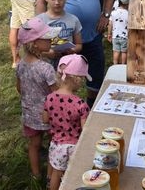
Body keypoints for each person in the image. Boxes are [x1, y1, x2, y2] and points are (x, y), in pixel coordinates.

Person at [16, 17, 60, 180]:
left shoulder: (20, 64)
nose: (51, 40)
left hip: (29, 115)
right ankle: (51, 175)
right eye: (47, 38)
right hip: (48, 115)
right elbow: (55, 93)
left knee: (34, 144)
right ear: (35, 43)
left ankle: (36, 174)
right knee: (53, 143)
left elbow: (19, 88)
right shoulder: (46, 68)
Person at [43, 54, 91, 190]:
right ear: (76, 79)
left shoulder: (49, 98)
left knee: (56, 173)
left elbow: (45, 119)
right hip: (73, 147)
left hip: (56, 143)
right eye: (82, 78)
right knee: (71, 176)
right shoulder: (80, 104)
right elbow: (85, 129)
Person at [36, 0, 83, 66]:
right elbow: (34, 48)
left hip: (68, 66)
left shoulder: (74, 20)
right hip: (46, 67)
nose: (57, 2)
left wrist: (72, 50)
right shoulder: (40, 21)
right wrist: (47, 53)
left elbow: (79, 44)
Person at [108, 0, 132, 64]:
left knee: (116, 51)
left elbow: (110, 24)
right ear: (128, 3)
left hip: (115, 36)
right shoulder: (129, 14)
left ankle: (115, 65)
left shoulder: (113, 12)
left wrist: (109, 34)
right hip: (125, 37)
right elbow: (130, 26)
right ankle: (123, 65)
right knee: (124, 52)